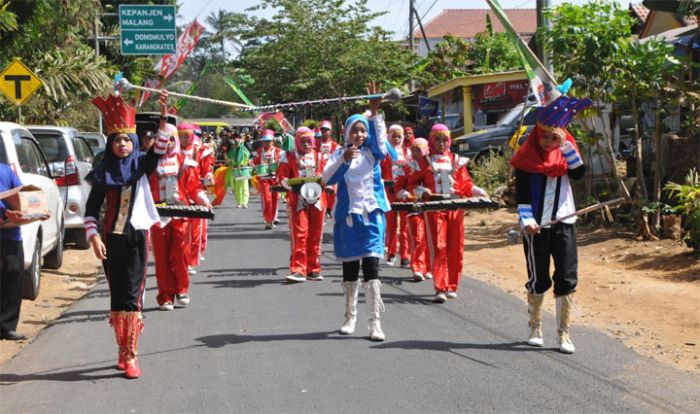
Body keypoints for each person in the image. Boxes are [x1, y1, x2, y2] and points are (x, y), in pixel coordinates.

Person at [84, 90, 166, 379]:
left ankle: (131, 355)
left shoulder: (141, 165)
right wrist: (93, 237)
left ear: (133, 142)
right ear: (110, 143)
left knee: (133, 298)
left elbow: (158, 152)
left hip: (136, 241)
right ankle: (122, 349)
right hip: (110, 242)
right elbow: (91, 210)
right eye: (116, 140)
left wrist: (164, 116)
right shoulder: (102, 171)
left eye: (126, 140)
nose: (122, 145)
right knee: (117, 298)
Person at [510, 95, 591, 354]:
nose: (548, 142)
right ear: (537, 134)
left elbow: (579, 173)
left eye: (553, 137)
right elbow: (522, 194)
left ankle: (563, 333)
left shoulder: (566, 152)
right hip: (536, 226)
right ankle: (535, 327)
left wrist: (565, 146)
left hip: (564, 221)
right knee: (539, 277)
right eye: (544, 136)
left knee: (567, 276)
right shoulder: (526, 157)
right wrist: (528, 220)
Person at [321, 91, 390, 341]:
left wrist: (375, 112)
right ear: (347, 133)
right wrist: (343, 159)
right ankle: (350, 317)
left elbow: (382, 142)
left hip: (372, 219)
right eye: (355, 131)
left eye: (362, 130)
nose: (359, 135)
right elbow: (326, 178)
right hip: (348, 221)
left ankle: (375, 323)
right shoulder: (338, 154)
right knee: (350, 270)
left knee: (372, 269)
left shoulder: (374, 152)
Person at [410, 124, 486, 303]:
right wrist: (423, 191)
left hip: (455, 206)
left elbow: (465, 183)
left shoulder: (456, 160)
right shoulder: (423, 161)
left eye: (445, 139)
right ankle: (440, 286)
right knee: (439, 246)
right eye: (437, 139)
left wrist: (476, 191)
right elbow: (412, 184)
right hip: (434, 208)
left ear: (449, 140)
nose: (441, 143)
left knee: (455, 246)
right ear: (431, 140)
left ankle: (452, 284)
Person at [148, 122, 211, 311]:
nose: (168, 143)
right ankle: (165, 296)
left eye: (171, 139)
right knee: (161, 257)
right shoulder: (149, 164)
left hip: (180, 215)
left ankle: (182, 289)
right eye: (164, 139)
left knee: (181, 254)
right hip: (158, 217)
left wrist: (203, 199)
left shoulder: (185, 162)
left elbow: (193, 186)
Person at [0, 164, 49, 341]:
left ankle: (7, 327)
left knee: (13, 277)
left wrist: (38, 212)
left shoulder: (5, 171)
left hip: (11, 234)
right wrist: (5, 212)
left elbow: (25, 196)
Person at [277, 127, 327, 283]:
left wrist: (325, 181)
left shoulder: (320, 156)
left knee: (316, 235)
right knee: (300, 234)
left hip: (317, 200)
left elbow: (328, 176)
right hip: (298, 200)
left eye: (309, 141)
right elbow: (282, 177)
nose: (306, 145)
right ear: (297, 142)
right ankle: (298, 269)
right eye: (302, 141)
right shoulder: (289, 156)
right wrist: (289, 185)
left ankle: (313, 268)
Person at [396, 138, 432, 282]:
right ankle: (417, 267)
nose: (416, 153)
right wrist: (405, 195)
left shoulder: (433, 165)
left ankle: (429, 268)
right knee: (417, 237)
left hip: (431, 208)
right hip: (413, 207)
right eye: (414, 150)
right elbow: (398, 187)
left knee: (430, 239)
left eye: (419, 150)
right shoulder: (405, 166)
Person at [380, 124, 412, 268]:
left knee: (405, 225)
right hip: (389, 191)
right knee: (391, 225)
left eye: (399, 136)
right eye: (393, 136)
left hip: (404, 192)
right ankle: (391, 252)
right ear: (389, 136)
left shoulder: (408, 152)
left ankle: (405, 255)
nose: (397, 139)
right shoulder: (384, 153)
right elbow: (380, 171)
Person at [253, 129, 281, 229]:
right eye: (265, 141)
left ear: (272, 141)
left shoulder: (278, 151)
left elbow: (283, 164)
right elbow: (254, 163)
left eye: (268, 141)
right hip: (264, 178)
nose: (266, 143)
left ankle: (273, 218)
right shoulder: (259, 152)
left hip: (275, 178)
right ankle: (268, 220)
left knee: (275, 200)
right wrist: (253, 164)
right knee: (266, 199)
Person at [315, 120, 339, 217]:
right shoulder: (316, 143)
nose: (324, 132)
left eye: (327, 130)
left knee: (332, 191)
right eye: (323, 130)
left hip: (332, 170)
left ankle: (330, 208)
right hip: (320, 170)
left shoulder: (334, 145)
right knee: (322, 190)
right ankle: (324, 209)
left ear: (330, 131)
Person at [226, 134, 252, 208]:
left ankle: (244, 202)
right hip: (236, 170)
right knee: (238, 187)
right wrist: (231, 162)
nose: (236, 145)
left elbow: (248, 156)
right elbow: (229, 159)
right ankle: (239, 203)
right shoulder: (233, 152)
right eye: (235, 144)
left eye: (238, 144)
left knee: (245, 187)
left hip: (243, 170)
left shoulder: (244, 151)